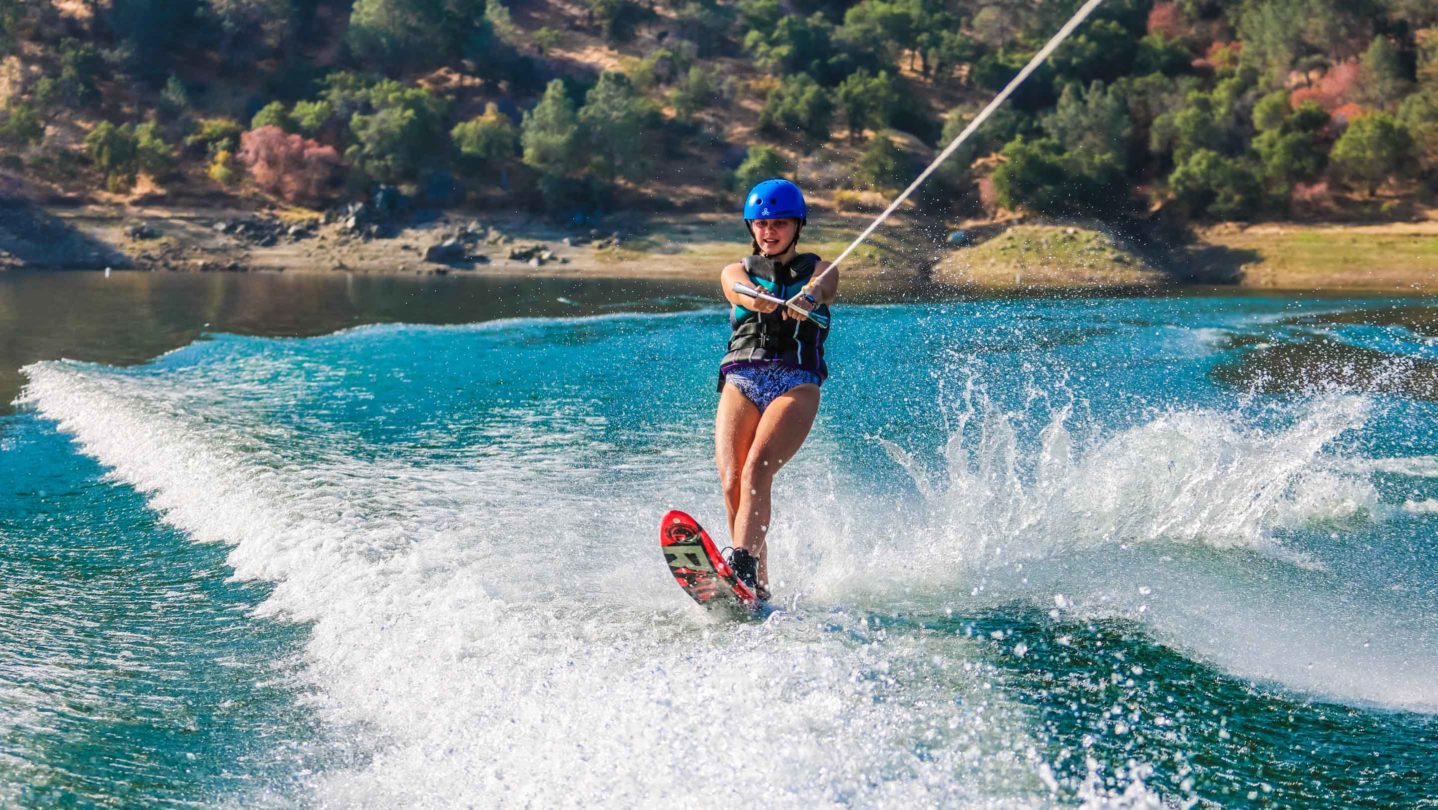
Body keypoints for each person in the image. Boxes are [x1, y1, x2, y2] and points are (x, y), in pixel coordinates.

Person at [714, 179, 838, 602]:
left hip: (795, 382)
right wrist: (757, 297)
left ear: (797, 225)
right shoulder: (738, 271)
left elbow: (825, 285)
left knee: (756, 471)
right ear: (751, 227)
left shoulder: (821, 269)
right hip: (743, 379)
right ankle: (756, 584)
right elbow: (733, 287)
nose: (770, 231)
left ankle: (741, 565)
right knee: (732, 480)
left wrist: (808, 298)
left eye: (780, 223)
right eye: (762, 223)